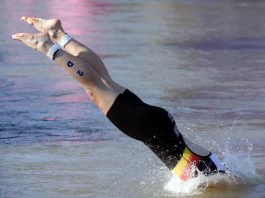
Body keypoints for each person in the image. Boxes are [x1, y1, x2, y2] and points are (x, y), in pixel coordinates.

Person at [12, 16, 225, 181]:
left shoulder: (218, 167)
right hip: (149, 128)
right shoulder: (214, 179)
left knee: (104, 81)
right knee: (94, 88)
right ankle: (47, 46)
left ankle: (57, 34)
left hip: (160, 123)